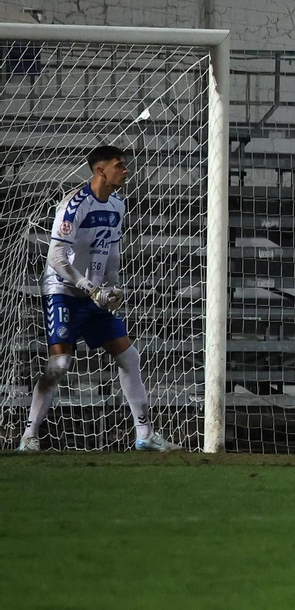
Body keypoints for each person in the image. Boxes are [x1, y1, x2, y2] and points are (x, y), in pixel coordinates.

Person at [18, 145, 175, 452]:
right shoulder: (74, 205)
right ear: (101, 170)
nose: (126, 170)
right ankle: (29, 434)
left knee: (129, 356)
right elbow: (56, 257)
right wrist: (90, 287)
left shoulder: (117, 204)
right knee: (60, 364)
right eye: (120, 165)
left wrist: (113, 288)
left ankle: (144, 434)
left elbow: (113, 250)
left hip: (96, 295)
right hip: (64, 291)